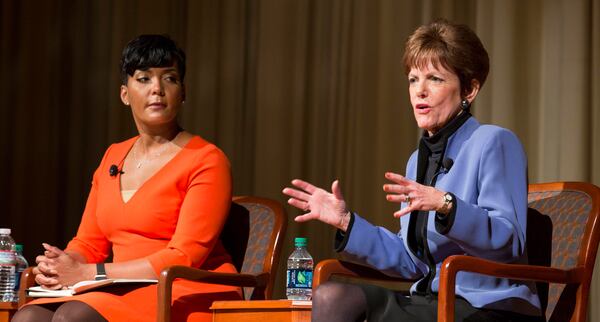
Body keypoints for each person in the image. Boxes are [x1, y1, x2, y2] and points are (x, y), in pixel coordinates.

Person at [282, 19, 544, 322]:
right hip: (432, 302)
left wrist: (446, 204)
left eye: (434, 79)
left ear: (469, 89)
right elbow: (412, 261)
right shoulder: (417, 160)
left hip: (490, 308)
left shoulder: (494, 142)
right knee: (330, 296)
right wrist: (346, 221)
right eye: (412, 79)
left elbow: (510, 240)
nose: (419, 91)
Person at [13, 35, 241, 322]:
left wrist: (90, 273)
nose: (157, 89)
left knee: (73, 317)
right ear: (125, 93)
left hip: (187, 289)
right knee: (29, 317)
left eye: (169, 79)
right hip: (120, 287)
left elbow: (183, 256)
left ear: (182, 93)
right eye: (144, 79)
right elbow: (89, 243)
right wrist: (63, 266)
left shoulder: (207, 159)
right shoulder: (113, 155)